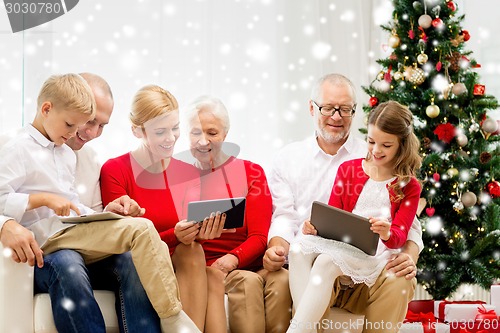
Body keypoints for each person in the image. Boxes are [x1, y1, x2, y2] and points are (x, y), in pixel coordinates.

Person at [0, 73, 200, 333]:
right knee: (139, 230)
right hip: (43, 240)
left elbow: (73, 206)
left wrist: (106, 213)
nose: (81, 133)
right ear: (47, 109)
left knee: (132, 252)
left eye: (99, 125)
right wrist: (40, 200)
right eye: (74, 124)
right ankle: (173, 317)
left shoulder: (65, 153)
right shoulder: (16, 148)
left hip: (68, 231)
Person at [264, 73, 424, 333]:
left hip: (366, 258)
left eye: (345, 110)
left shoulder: (372, 157)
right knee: (302, 252)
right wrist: (283, 242)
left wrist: (410, 253)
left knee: (396, 279)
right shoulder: (289, 158)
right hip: (320, 252)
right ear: (312, 108)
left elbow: (408, 224)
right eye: (328, 108)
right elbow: (285, 216)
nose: (336, 116)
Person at [100, 85, 228, 333]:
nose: (171, 138)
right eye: (160, 132)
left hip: (180, 257)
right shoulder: (115, 170)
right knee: (190, 252)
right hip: (139, 261)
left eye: (175, 128)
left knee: (196, 255)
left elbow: (191, 233)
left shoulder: (189, 172)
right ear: (137, 130)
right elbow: (122, 241)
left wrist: (204, 231)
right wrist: (174, 236)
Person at [185, 95, 291, 333]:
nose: (203, 141)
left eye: (212, 133)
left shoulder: (251, 172)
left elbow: (259, 237)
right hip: (205, 268)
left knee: (282, 280)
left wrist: (232, 260)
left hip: (245, 262)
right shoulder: (178, 178)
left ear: (225, 134)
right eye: (195, 133)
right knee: (247, 281)